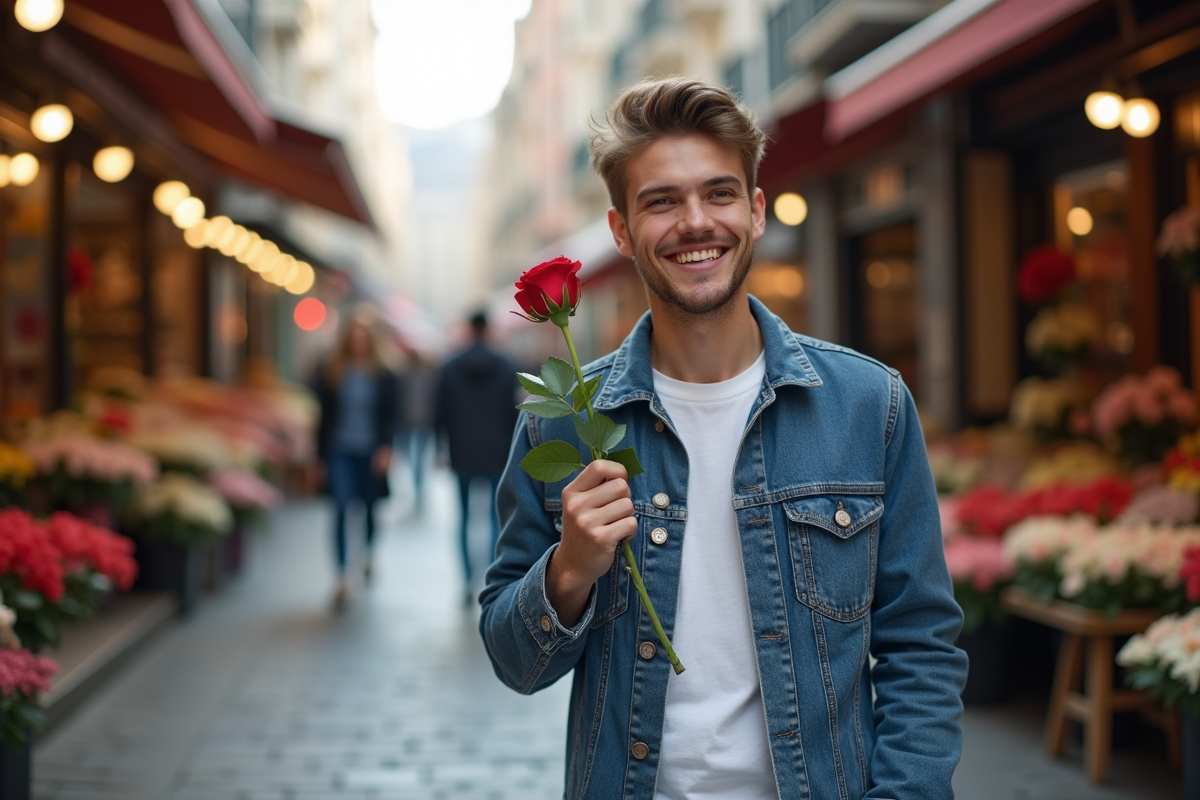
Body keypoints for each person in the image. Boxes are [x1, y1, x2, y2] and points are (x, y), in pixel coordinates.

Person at [479, 79, 967, 800]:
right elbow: (515, 663)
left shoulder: (870, 404)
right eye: (662, 201)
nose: (696, 222)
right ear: (620, 231)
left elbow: (920, 645)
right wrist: (569, 571)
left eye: (719, 193)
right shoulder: (561, 425)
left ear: (756, 210)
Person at [313, 309, 399, 609]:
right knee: (339, 506)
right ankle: (340, 576)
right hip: (339, 450)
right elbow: (322, 416)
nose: (358, 341)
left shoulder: (385, 374)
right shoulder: (332, 371)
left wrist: (387, 448)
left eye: (363, 337)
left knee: (370, 508)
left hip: (371, 451)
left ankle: (366, 554)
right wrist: (319, 457)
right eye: (353, 336)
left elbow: (391, 415)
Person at [434, 311, 519, 601]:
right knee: (498, 516)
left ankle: (467, 579)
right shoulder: (506, 367)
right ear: (489, 329)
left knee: (464, 517)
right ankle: (494, 576)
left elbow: (441, 412)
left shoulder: (451, 367)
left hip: (462, 450)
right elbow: (514, 414)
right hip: (498, 450)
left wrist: (439, 447)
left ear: (470, 329)